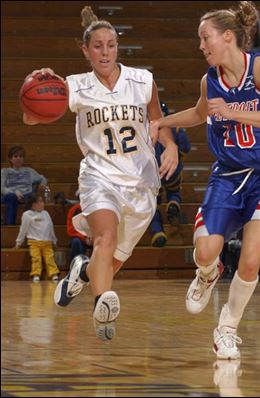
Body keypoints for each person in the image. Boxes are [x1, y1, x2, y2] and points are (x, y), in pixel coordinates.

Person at [23, 6, 178, 338]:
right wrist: (39, 85)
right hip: (99, 177)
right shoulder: (74, 87)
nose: (105, 52)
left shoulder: (143, 80)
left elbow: (157, 121)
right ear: (85, 50)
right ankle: (102, 313)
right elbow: (32, 118)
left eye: (110, 44)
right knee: (105, 238)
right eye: (97, 46)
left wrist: (171, 145)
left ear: (117, 46)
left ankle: (80, 273)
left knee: (111, 263)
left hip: (141, 182)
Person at [150, 1, 260, 359]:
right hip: (228, 176)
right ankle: (208, 273)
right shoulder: (209, 79)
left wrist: (233, 112)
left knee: (250, 260)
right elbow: (200, 114)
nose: (201, 45)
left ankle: (227, 328)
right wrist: (163, 123)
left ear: (227, 37)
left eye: (205, 38)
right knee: (205, 251)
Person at [150, 101, 191, 247]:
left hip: (152, 172)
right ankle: (174, 202)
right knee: (174, 191)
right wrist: (178, 156)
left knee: (152, 204)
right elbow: (186, 147)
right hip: (172, 168)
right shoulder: (176, 126)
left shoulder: (145, 128)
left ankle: (157, 231)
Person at [15, 194, 60, 282]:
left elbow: (50, 228)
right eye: (40, 201)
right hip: (34, 242)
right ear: (34, 204)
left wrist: (54, 240)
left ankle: (54, 274)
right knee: (36, 258)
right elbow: (23, 229)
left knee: (50, 258)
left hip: (47, 242)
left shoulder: (46, 213)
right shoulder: (27, 215)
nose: (43, 203)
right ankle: (36, 274)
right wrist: (18, 243)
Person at [1, 145, 47, 225]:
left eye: (21, 156)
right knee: (12, 197)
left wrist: (42, 184)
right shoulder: (5, 172)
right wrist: (14, 193)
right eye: (15, 156)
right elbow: (1, 187)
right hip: (10, 195)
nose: (18, 158)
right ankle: (10, 226)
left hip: (26, 195)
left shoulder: (29, 171)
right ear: (10, 159)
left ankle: (29, 225)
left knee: (32, 196)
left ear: (23, 159)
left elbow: (42, 178)